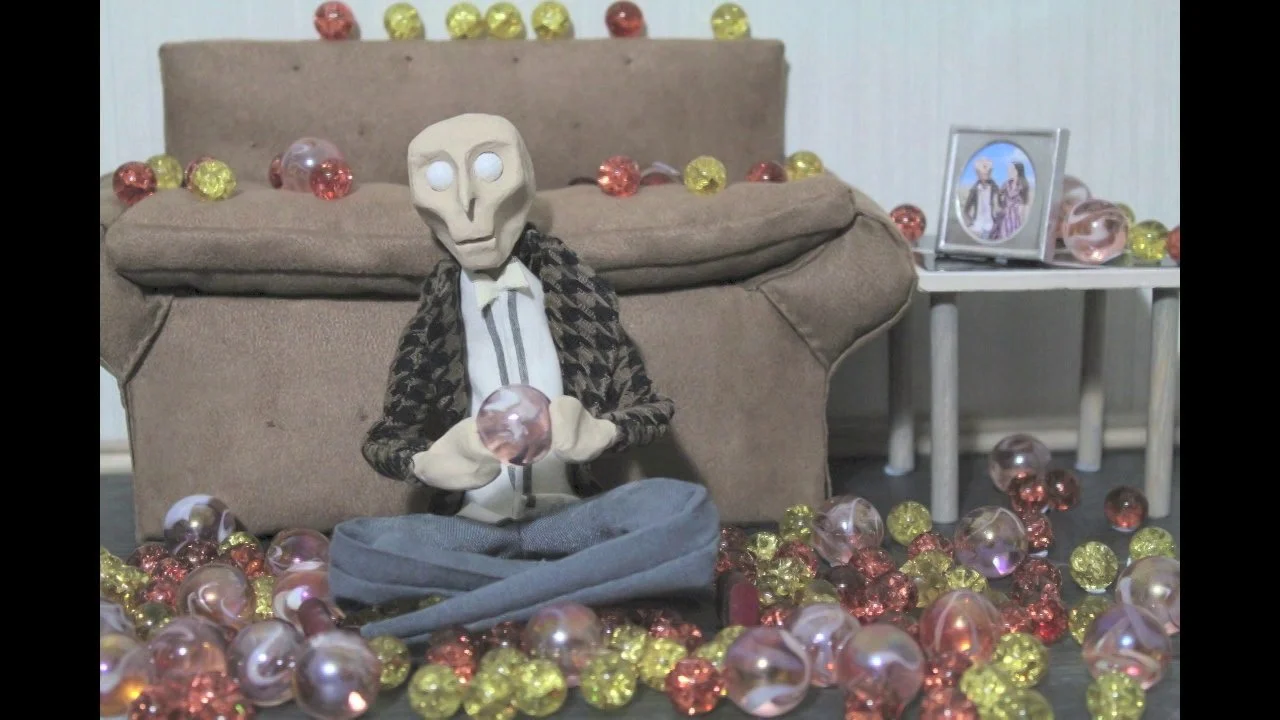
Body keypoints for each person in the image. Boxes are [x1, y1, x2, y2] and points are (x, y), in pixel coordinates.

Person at [328, 114, 718, 644]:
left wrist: (601, 431)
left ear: (526, 181)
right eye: (439, 179)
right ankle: (576, 588)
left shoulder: (578, 296)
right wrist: (428, 462)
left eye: (489, 168)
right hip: (471, 527)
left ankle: (484, 598)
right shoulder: (433, 321)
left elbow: (649, 408)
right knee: (357, 550)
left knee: (683, 511)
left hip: (574, 522)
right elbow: (385, 439)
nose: (467, 203)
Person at [962, 158, 999, 240]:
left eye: (988, 171)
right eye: (982, 172)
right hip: (977, 226)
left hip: (991, 226)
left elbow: (1000, 205)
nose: (985, 174)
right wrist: (971, 223)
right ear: (977, 173)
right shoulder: (974, 190)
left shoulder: (995, 188)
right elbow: (965, 210)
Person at [995, 161, 1031, 240]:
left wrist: (1023, 217)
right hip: (1005, 215)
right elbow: (999, 195)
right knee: (1003, 234)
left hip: (1016, 215)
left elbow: (1025, 203)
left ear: (1017, 171)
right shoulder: (1006, 184)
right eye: (1009, 169)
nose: (1009, 171)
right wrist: (1001, 205)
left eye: (1011, 169)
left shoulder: (1023, 185)